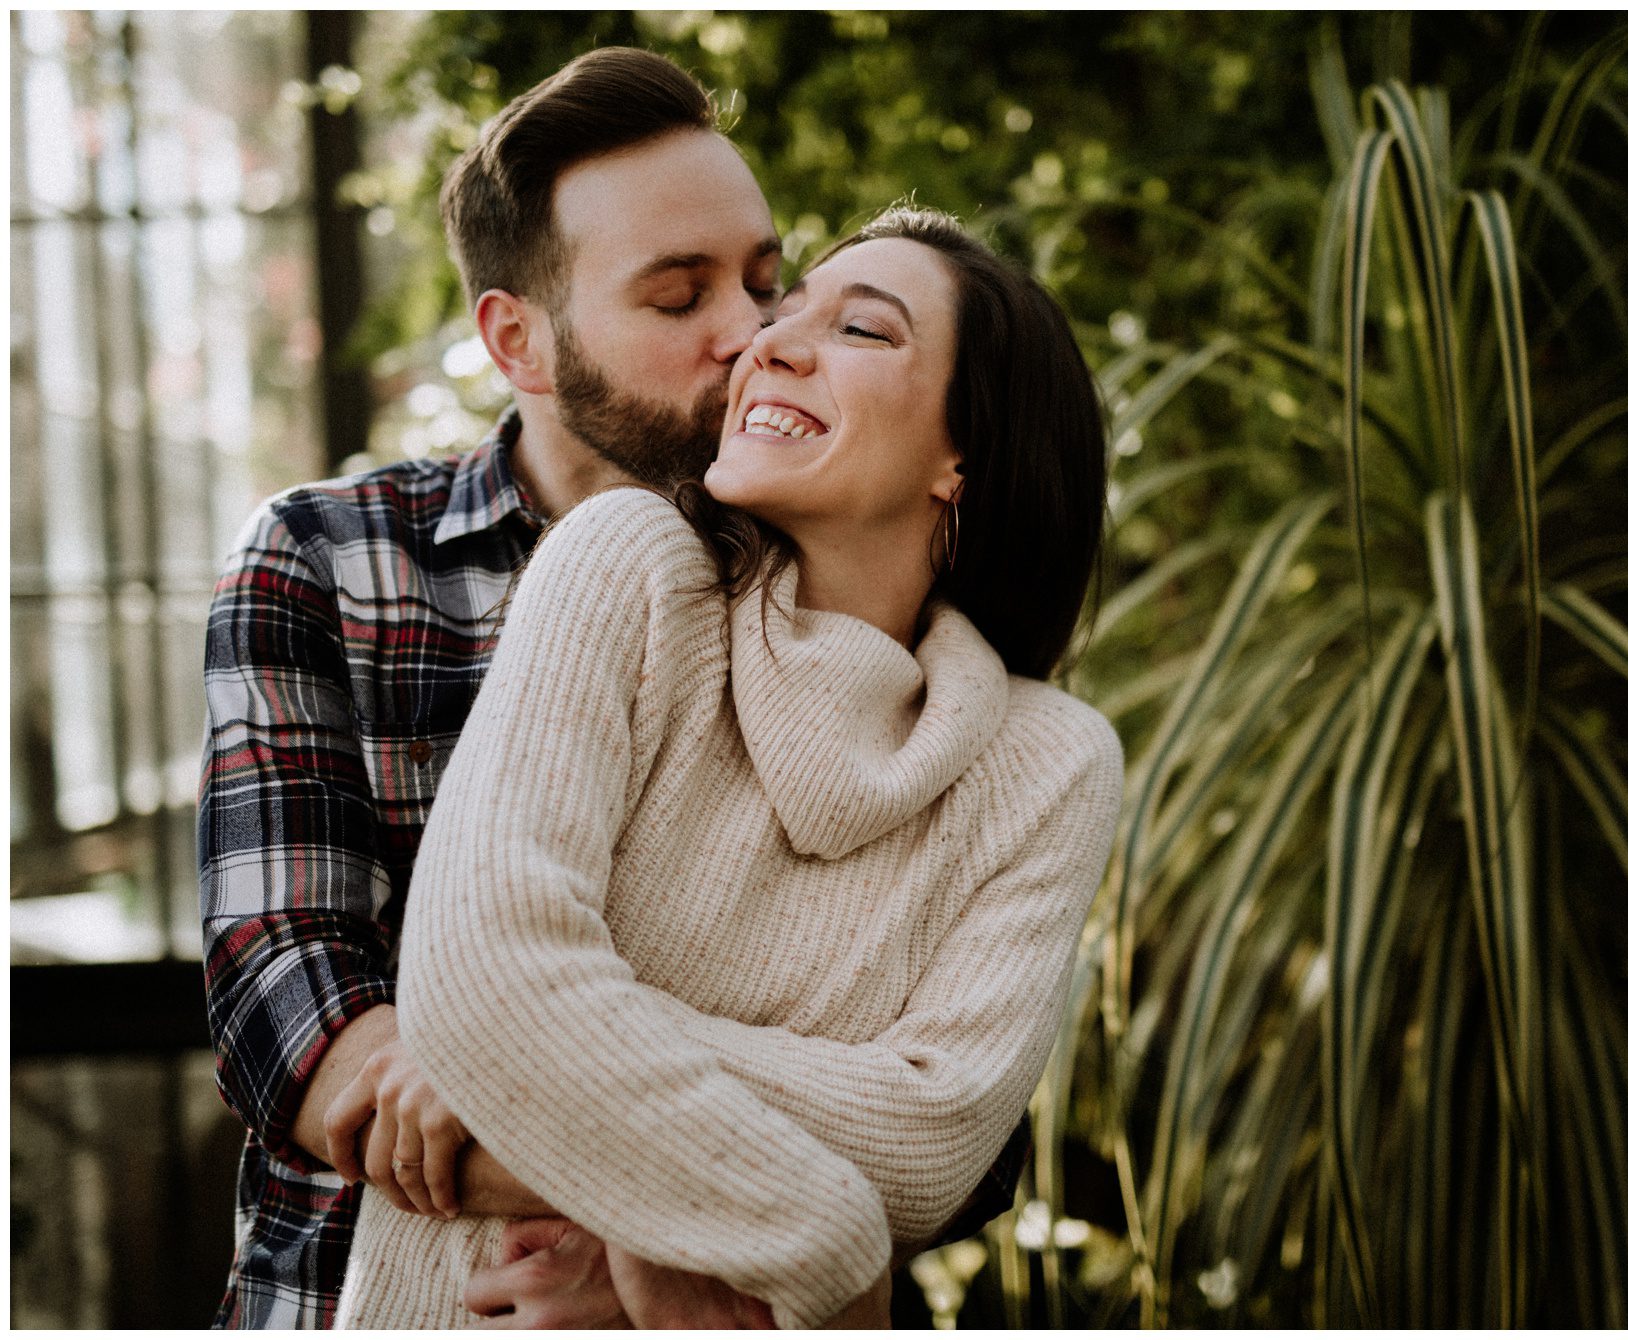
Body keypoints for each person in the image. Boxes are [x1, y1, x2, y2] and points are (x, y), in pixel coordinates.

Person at [198, 48, 1023, 1329]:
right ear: (516, 338)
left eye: (763, 278)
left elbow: (955, 1122)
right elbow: (289, 1001)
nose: (752, 332)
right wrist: (669, 1194)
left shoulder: (870, 605)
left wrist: (620, 1179)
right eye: (678, 295)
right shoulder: (329, 559)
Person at [328, 204, 1120, 1330]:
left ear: (962, 455)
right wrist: (836, 1250)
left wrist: (550, 1067)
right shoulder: (625, 564)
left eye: (864, 330)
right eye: (788, 311)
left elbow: (933, 1139)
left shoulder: (1046, 761)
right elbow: (492, 974)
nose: (771, 342)